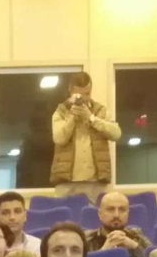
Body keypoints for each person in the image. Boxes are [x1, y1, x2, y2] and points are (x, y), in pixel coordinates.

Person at [49, 71, 121, 203]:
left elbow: (116, 134)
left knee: (97, 215)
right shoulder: (61, 112)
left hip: (96, 182)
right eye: (79, 95)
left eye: (87, 94)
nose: (84, 98)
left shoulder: (100, 111)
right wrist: (72, 118)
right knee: (64, 215)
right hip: (66, 182)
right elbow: (59, 139)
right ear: (70, 91)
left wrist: (91, 118)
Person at [85, 189, 149, 257]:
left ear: (127, 214)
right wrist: (103, 251)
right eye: (111, 209)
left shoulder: (138, 237)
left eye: (122, 210)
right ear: (100, 214)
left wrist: (134, 247)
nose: (116, 215)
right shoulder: (87, 239)